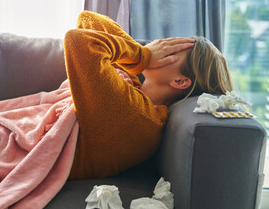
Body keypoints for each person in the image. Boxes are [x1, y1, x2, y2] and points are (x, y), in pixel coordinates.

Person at [65, 11, 234, 180]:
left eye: (169, 52)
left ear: (180, 81)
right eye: (165, 44)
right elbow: (89, 19)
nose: (157, 46)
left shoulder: (136, 114)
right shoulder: (135, 90)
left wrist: (141, 56)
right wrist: (141, 55)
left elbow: (77, 40)